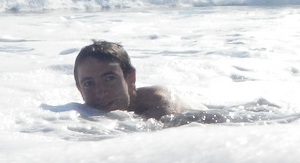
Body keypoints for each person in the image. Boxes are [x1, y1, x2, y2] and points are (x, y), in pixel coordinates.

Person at [73, 40, 206, 119]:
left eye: (109, 78)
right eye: (89, 83)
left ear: (131, 78)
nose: (101, 91)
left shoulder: (159, 101)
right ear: (80, 90)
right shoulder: (65, 120)